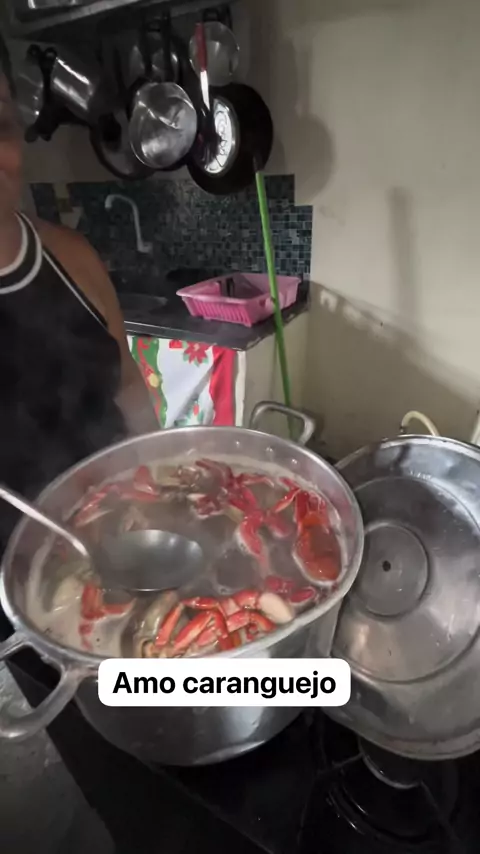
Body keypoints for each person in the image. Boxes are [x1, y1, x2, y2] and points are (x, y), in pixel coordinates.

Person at [0, 36, 158, 679]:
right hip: (22, 601)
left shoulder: (72, 258)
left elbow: (129, 389)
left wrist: (159, 489)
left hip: (130, 536)